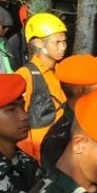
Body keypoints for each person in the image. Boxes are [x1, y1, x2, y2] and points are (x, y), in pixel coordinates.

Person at [14, 12, 70, 162]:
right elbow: (17, 123)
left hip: (61, 152)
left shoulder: (60, 72)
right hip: (39, 157)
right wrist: (33, 161)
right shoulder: (26, 76)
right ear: (38, 43)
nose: (63, 47)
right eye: (57, 42)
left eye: (64, 41)